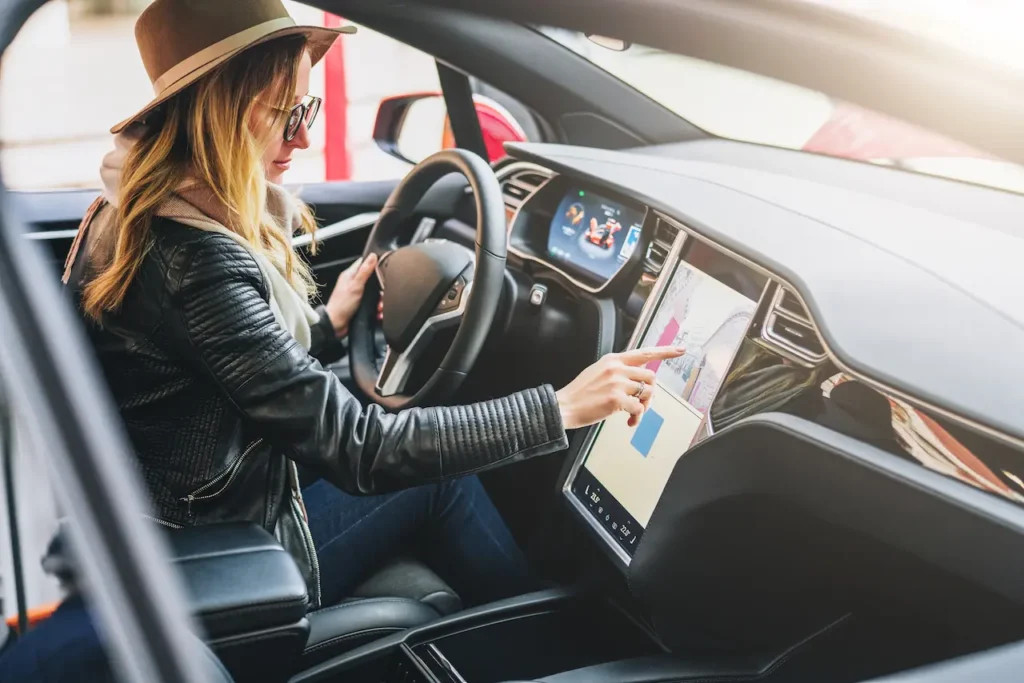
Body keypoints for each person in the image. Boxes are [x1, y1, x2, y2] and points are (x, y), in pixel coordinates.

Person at [63, 0, 683, 610]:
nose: (304, 136)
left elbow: (233, 374)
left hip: (175, 518)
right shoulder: (196, 262)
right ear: (219, 117)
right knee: (442, 482)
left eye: (308, 108)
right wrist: (561, 407)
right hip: (222, 557)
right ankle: (550, 647)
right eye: (285, 114)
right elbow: (361, 450)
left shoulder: (126, 210)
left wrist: (330, 328)